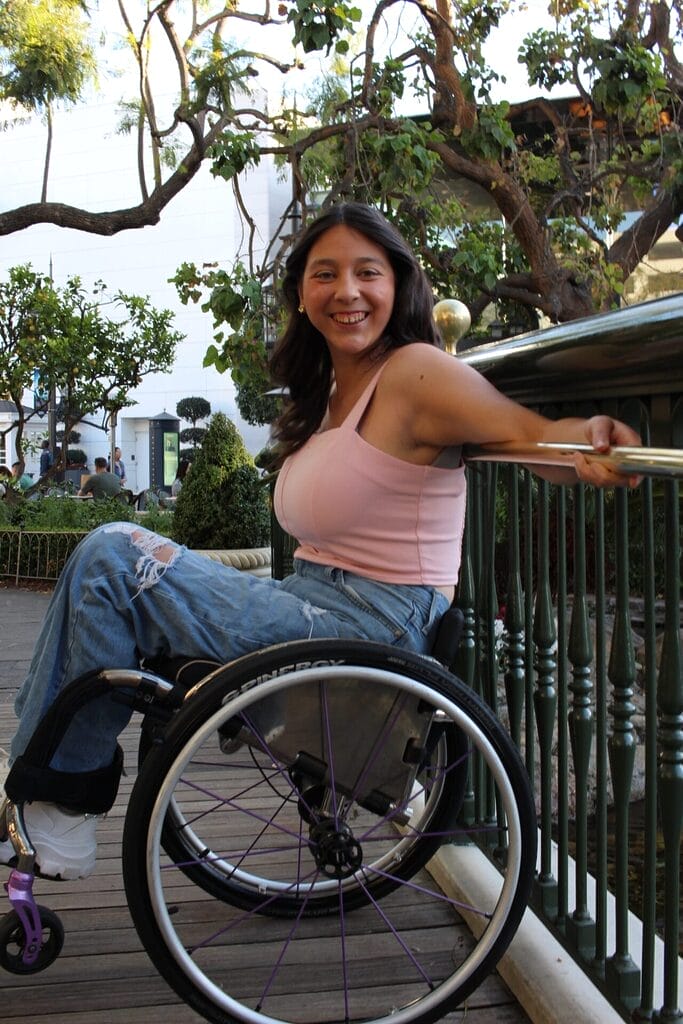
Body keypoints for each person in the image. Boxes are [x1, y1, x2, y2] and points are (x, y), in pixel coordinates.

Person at [0, 202, 641, 881]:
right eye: (324, 274)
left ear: (398, 286)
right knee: (99, 564)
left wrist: (587, 441)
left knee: (111, 556)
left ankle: (58, 805)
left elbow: (525, 435)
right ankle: (38, 778)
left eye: (367, 272)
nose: (347, 292)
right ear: (302, 296)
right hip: (308, 603)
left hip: (369, 626)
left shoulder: (417, 371)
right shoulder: (331, 389)